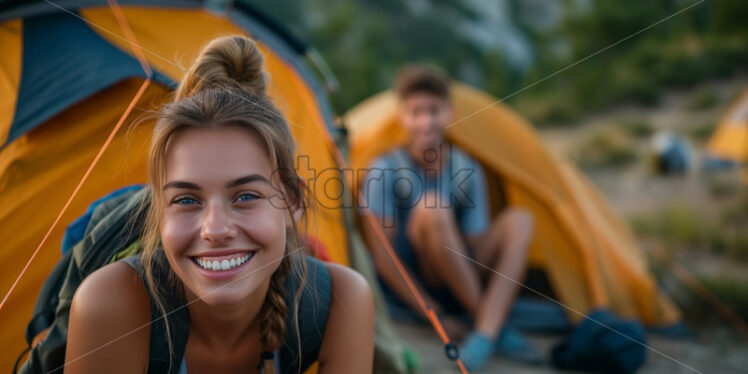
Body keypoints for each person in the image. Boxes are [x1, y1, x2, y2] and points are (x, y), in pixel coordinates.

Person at [65, 36, 374, 373]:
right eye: (185, 199)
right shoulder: (112, 304)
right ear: (159, 212)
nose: (215, 229)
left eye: (245, 197)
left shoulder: (339, 303)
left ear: (293, 202)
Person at [361, 65, 540, 370]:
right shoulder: (383, 169)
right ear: (402, 117)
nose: (426, 121)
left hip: (460, 271)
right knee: (432, 207)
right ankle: (491, 325)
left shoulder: (465, 166)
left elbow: (477, 246)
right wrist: (435, 315)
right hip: (421, 280)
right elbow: (384, 259)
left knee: (521, 220)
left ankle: (483, 332)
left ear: (450, 113)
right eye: (416, 112)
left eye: (434, 111)